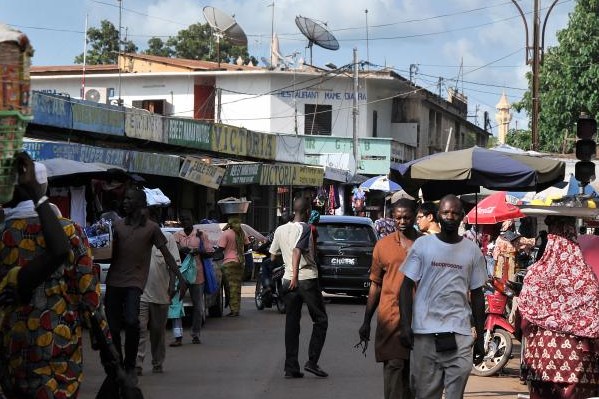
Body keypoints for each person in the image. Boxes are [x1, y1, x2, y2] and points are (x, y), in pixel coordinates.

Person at [0, 153, 111, 399]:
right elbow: (89, 299)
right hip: (59, 357)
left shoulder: (5, 233)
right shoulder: (71, 232)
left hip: (13, 355)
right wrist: (108, 351)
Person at [399, 194, 486, 399]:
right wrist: (405, 325)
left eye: (455, 213)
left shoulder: (472, 251)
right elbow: (405, 287)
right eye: (446, 212)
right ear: (438, 215)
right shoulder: (422, 246)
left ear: (462, 216)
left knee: (456, 393)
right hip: (425, 332)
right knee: (425, 394)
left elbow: (478, 294)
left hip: (459, 334)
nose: (450, 217)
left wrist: (480, 336)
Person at [104, 187, 186, 383]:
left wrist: (180, 279)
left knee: (133, 322)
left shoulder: (151, 229)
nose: (125, 202)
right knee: (113, 327)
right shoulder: (116, 226)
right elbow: (107, 252)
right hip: (114, 282)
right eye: (124, 198)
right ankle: (119, 363)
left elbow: (167, 255)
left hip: (135, 283)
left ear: (140, 204)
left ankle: (131, 365)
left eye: (129, 199)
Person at [518, 215, 599, 399]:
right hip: (578, 363)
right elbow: (595, 321)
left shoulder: (535, 274)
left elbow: (523, 321)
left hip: (541, 360)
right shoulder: (586, 276)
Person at [358, 198, 420, 399]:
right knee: (394, 365)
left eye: (407, 217)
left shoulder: (425, 244)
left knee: (414, 374)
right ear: (393, 218)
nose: (402, 221)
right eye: (398, 217)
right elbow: (375, 284)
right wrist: (366, 321)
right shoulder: (382, 246)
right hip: (391, 317)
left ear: (415, 216)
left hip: (421, 319)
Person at [270, 197, 328, 379]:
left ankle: (291, 367)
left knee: (292, 323)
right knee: (320, 320)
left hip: (287, 281)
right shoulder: (306, 228)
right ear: (308, 212)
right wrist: (295, 274)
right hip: (306, 279)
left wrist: (288, 270)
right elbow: (297, 251)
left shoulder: (280, 230)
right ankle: (312, 361)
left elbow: (273, 256)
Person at [136, 207, 181, 375]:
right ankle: (137, 364)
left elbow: (173, 263)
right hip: (141, 293)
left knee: (157, 332)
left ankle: (157, 362)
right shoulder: (139, 238)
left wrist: (173, 285)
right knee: (140, 328)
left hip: (161, 293)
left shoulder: (167, 238)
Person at [172, 210, 212, 344]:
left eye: (187, 219)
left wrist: (197, 251)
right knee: (176, 305)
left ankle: (196, 334)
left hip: (197, 275)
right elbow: (171, 254)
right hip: (180, 275)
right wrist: (180, 249)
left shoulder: (201, 235)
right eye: (182, 219)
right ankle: (178, 336)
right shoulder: (176, 236)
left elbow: (209, 253)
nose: (185, 222)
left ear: (192, 220)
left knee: (198, 307)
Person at [217, 216, 249, 317]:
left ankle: (233, 310)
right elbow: (247, 246)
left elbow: (221, 248)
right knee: (237, 287)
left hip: (228, 263)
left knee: (230, 287)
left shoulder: (226, 233)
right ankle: (236, 309)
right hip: (240, 262)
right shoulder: (242, 233)